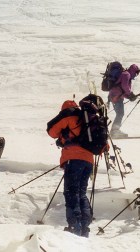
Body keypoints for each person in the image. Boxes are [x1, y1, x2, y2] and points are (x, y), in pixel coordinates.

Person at [47, 100, 93, 237]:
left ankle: (75, 227)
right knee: (81, 193)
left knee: (71, 193)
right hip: (89, 161)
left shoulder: (69, 115)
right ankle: (84, 228)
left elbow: (52, 131)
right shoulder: (87, 120)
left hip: (74, 160)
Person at [108, 64, 140, 138]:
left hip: (115, 96)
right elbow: (125, 86)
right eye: (136, 73)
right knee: (120, 113)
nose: (135, 75)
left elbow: (123, 90)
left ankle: (115, 130)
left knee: (120, 113)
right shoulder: (126, 74)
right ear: (133, 70)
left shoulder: (126, 75)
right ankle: (115, 131)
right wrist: (131, 94)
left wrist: (129, 97)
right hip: (116, 96)